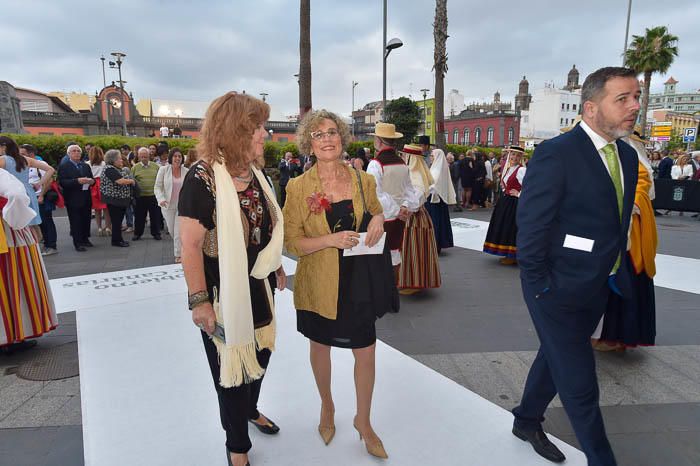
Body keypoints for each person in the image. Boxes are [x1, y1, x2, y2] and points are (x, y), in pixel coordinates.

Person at [513, 67, 641, 466]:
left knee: (554, 356)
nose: (634, 106)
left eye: (636, 97)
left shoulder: (625, 154)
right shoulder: (557, 153)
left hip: (598, 285)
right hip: (556, 289)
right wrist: (541, 289)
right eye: (622, 99)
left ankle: (527, 419)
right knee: (580, 383)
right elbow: (531, 229)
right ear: (590, 107)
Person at [179, 92, 285, 466]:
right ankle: (237, 445)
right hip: (221, 292)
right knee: (230, 372)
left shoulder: (256, 173)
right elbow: (189, 246)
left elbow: (267, 228)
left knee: (262, 354)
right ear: (236, 130)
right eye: (258, 127)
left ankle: (250, 410)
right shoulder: (202, 178)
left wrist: (276, 264)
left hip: (259, 284)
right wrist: (199, 300)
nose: (265, 135)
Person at [283, 109, 394, 459]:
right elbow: (290, 242)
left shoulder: (363, 180)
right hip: (319, 281)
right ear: (309, 143)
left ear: (342, 138)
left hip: (358, 279)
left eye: (332, 132)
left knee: (366, 351)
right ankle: (327, 407)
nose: (327, 138)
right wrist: (328, 241)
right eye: (318, 134)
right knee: (321, 346)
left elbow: (377, 210)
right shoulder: (298, 188)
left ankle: (364, 420)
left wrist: (377, 220)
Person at [592, 133, 657, 351]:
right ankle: (600, 333)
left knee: (623, 283)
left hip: (628, 236)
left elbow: (641, 189)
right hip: (603, 231)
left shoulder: (632, 160)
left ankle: (617, 336)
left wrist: (629, 206)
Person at [0, 167, 58, 353]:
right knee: (14, 279)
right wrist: (16, 219)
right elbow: (17, 196)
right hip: (7, 233)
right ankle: (13, 333)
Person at [367, 122, 420, 273]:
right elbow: (410, 191)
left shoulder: (375, 164)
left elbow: (374, 194)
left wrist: (398, 210)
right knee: (394, 253)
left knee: (378, 259)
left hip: (381, 218)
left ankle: (383, 294)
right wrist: (405, 207)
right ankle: (392, 293)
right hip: (400, 218)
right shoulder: (402, 163)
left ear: (378, 140)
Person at [397, 144, 440, 294]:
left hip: (414, 218)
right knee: (409, 249)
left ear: (411, 158)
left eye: (404, 156)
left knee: (413, 250)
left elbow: (415, 201)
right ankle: (407, 280)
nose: (402, 158)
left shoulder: (416, 176)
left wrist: (402, 207)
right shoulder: (411, 174)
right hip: (412, 217)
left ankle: (413, 282)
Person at [483, 146, 526, 265]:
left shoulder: (521, 170)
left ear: (521, 158)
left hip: (514, 203)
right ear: (509, 155)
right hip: (505, 201)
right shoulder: (508, 169)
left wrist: (519, 194)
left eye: (518, 156)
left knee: (511, 227)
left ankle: (512, 255)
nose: (514, 157)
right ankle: (507, 253)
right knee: (504, 226)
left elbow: (529, 186)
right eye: (513, 155)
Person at [0, 137, 54, 231]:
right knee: (31, 228)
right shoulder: (26, 159)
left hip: (11, 194)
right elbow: (51, 169)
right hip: (28, 192)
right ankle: (33, 245)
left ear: (4, 147)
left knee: (14, 228)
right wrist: (39, 184)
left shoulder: (2, 160)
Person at [20, 144, 59, 256]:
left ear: (31, 154)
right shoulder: (25, 165)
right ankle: (45, 244)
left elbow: (49, 180)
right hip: (31, 198)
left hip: (41, 198)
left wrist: (41, 195)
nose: (20, 156)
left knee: (46, 221)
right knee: (39, 222)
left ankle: (51, 245)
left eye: (23, 154)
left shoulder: (40, 165)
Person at [58, 145, 95, 251]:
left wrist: (91, 182)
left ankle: (85, 239)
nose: (77, 153)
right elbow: (62, 182)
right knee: (75, 221)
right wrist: (77, 181)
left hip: (86, 196)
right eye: (74, 151)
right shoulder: (64, 166)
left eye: (78, 151)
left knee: (86, 219)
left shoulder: (85, 166)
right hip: (73, 198)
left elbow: (92, 179)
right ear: (69, 154)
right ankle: (77, 242)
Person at [155, 147, 188, 262]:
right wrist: (161, 199)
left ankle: (178, 254)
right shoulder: (163, 170)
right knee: (172, 230)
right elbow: (157, 187)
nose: (177, 158)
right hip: (167, 205)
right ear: (171, 158)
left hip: (182, 205)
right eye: (175, 156)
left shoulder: (186, 171)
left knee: (178, 231)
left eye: (179, 156)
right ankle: (182, 247)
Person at [100, 150, 136, 247]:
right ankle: (116, 241)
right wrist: (131, 181)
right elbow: (120, 181)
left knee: (118, 221)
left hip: (119, 200)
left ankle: (118, 239)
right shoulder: (109, 169)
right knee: (116, 221)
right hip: (114, 200)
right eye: (119, 158)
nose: (121, 160)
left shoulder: (114, 168)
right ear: (113, 160)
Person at [425, 148, 456, 253]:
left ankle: (435, 244)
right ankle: (434, 243)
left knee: (435, 222)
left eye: (432, 156)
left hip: (436, 200)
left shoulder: (438, 169)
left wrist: (424, 188)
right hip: (434, 200)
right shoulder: (436, 168)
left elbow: (434, 186)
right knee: (435, 222)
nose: (431, 158)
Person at [131, 147, 163, 241]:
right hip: (140, 196)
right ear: (139, 157)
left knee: (155, 216)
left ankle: (156, 233)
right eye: (141, 157)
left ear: (149, 156)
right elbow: (132, 180)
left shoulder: (156, 166)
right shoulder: (135, 168)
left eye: (145, 156)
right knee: (139, 216)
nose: (144, 159)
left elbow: (160, 180)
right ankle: (138, 233)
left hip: (153, 195)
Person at [87, 146, 112, 237]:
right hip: (103, 185)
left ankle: (99, 228)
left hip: (93, 186)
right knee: (106, 209)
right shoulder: (104, 164)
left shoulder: (88, 164)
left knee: (97, 209)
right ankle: (108, 227)